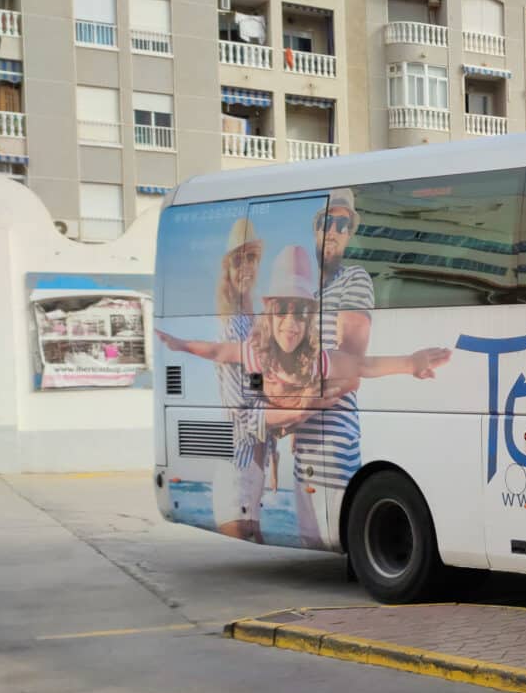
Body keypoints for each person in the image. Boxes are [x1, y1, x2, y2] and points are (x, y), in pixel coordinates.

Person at [157, 242, 449, 549]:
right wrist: (182, 345)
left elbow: (362, 365)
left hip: (307, 467)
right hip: (243, 467)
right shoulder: (255, 355)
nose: (291, 323)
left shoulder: (316, 360)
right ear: (269, 313)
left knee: (295, 533)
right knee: (255, 533)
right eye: (282, 310)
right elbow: (225, 363)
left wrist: (411, 363)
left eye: (301, 312)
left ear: (310, 318)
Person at [292, 190, 375, 549]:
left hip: (335, 445)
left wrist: (293, 406)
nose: (335, 230)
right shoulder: (308, 291)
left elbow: (348, 369)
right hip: (302, 457)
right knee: (312, 535)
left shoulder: (354, 280)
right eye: (329, 221)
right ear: (316, 229)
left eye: (344, 224)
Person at [212, 216, 265, 541]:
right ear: (228, 270)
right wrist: (287, 412)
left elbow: (256, 385)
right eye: (238, 259)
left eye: (252, 257)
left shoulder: (251, 320)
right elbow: (241, 406)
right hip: (238, 468)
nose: (245, 266)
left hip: (253, 470)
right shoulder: (233, 328)